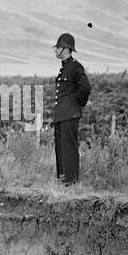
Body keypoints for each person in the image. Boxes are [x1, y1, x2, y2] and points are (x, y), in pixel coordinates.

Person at [52, 33, 90, 185]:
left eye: (58, 48)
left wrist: (78, 102)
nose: (56, 51)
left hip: (70, 113)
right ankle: (63, 177)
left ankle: (71, 181)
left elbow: (85, 87)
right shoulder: (65, 68)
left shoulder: (75, 67)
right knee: (61, 146)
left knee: (69, 147)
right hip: (62, 114)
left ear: (66, 49)